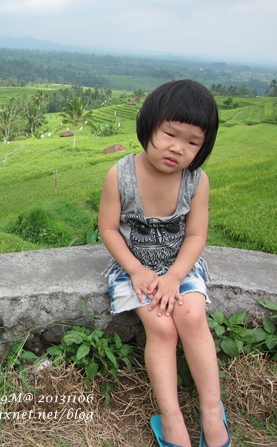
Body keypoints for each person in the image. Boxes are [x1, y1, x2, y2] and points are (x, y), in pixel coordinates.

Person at [98, 79, 231, 447]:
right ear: (149, 124)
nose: (178, 149)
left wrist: (174, 276)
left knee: (190, 316)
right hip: (133, 267)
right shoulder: (120, 175)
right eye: (170, 134)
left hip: (180, 266)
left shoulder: (196, 181)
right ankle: (171, 418)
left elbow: (195, 237)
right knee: (161, 327)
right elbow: (108, 229)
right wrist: (138, 269)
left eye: (193, 143)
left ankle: (211, 411)